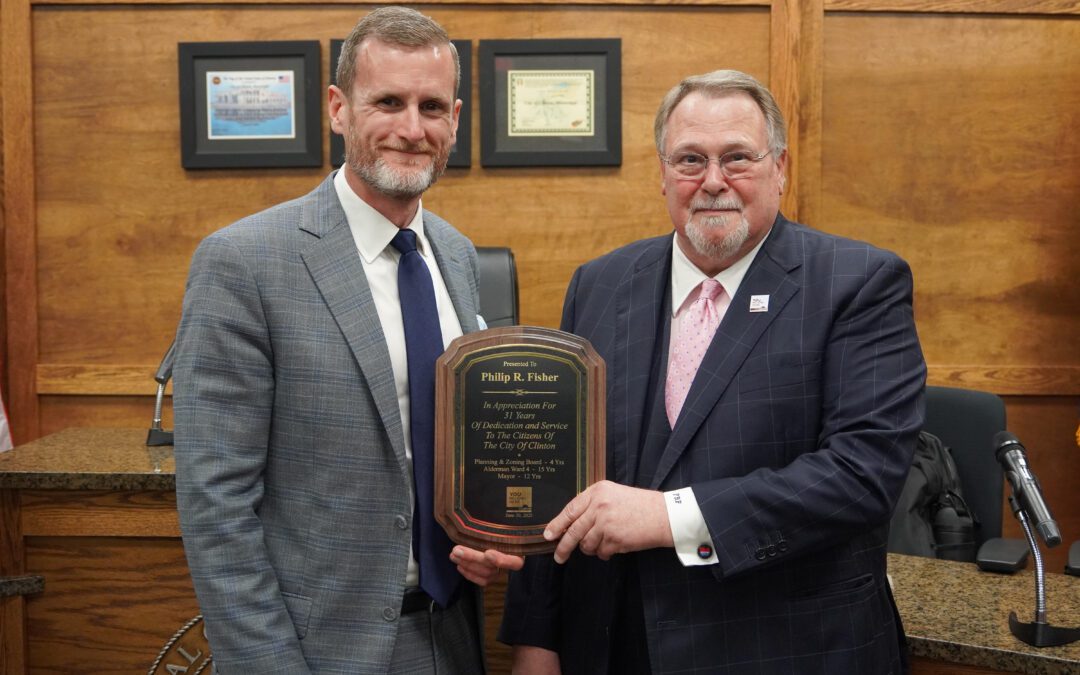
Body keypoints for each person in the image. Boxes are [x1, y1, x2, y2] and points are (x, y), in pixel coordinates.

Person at [499, 69, 926, 674]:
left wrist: (667, 517)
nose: (713, 181)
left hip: (784, 647)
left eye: (738, 158)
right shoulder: (598, 284)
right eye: (690, 159)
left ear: (780, 167)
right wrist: (536, 643)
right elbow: (558, 467)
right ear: (663, 174)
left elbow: (863, 475)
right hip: (613, 645)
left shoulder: (858, 283)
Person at [173, 7, 521, 674]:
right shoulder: (245, 261)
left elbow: (442, 447)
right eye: (387, 102)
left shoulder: (454, 253)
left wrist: (482, 530)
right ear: (338, 108)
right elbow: (216, 506)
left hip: (452, 634)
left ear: (456, 117)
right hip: (315, 649)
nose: (412, 129)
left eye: (432, 106)